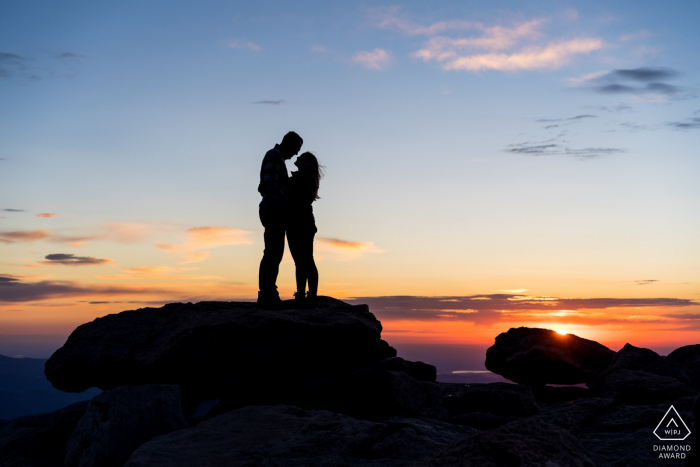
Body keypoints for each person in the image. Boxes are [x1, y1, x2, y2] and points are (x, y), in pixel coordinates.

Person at [257, 131, 303, 309]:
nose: (297, 154)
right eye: (296, 148)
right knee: (272, 253)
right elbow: (269, 186)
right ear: (288, 143)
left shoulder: (278, 158)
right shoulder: (274, 156)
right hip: (273, 210)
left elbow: (266, 185)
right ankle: (267, 295)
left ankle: (268, 293)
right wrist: (289, 196)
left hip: (275, 209)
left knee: (274, 253)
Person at [286, 152, 323, 308]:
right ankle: (301, 295)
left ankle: (311, 296)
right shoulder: (295, 178)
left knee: (307, 260)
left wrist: (287, 192)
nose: (298, 158)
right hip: (292, 223)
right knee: (299, 262)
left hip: (304, 223)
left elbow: (306, 201)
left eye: (302, 157)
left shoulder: (309, 179)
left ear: (308, 164)